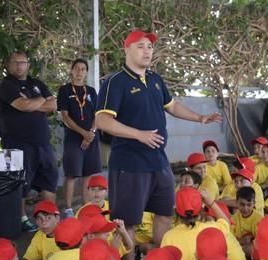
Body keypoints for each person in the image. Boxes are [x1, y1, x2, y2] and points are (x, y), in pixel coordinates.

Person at [95, 29, 222, 248]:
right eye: (140, 46)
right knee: (128, 222)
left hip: (158, 161)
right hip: (130, 163)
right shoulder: (114, 82)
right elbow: (103, 121)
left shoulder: (155, 79)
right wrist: (138, 134)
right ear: (127, 49)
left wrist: (199, 117)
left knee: (164, 213)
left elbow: (171, 106)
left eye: (150, 47)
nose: (147, 51)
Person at [0, 51, 58, 232]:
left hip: (42, 142)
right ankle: (22, 218)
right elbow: (22, 106)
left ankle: (51, 217)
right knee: (20, 184)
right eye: (15, 62)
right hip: (17, 143)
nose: (19, 66)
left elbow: (54, 105)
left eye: (23, 62)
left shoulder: (36, 84)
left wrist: (35, 102)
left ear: (28, 65)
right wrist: (41, 101)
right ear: (9, 65)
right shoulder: (6, 86)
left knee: (49, 179)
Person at [57, 58, 101, 218]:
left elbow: (98, 114)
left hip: (91, 136)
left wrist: (91, 133)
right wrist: (84, 134)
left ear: (86, 72)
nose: (79, 72)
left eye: (83, 69)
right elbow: (65, 116)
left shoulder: (91, 91)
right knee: (71, 174)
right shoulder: (65, 90)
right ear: (71, 70)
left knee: (88, 174)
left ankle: (86, 207)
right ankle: (68, 209)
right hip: (74, 138)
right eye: (77, 68)